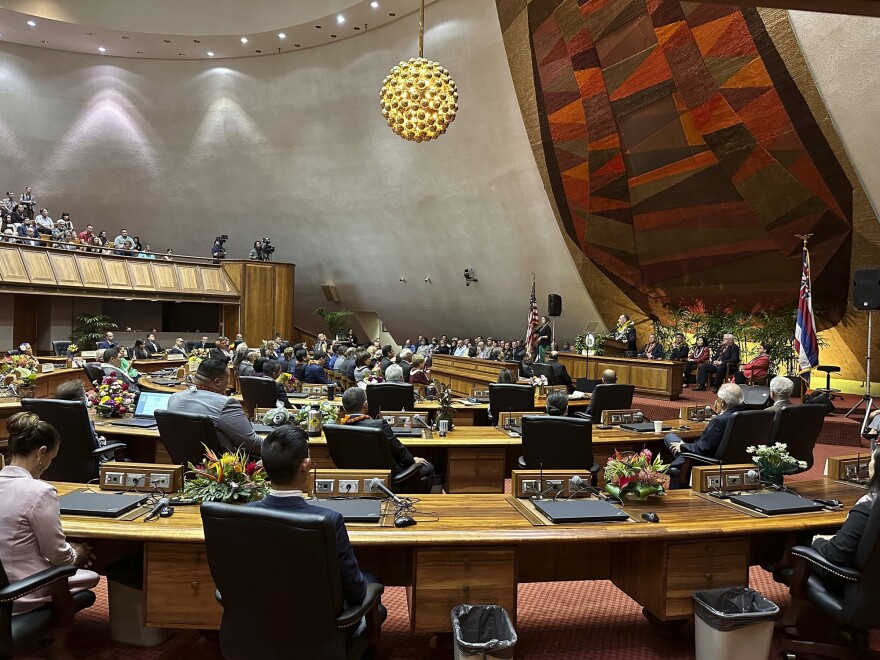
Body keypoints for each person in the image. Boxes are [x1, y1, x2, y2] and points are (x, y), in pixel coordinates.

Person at [248, 425, 376, 610]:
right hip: (321, 628)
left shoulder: (243, 514)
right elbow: (356, 593)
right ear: (305, 465)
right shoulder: (329, 520)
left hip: (258, 622)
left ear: (263, 465)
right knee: (371, 580)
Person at [0, 412, 99, 614]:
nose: (48, 465)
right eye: (51, 458)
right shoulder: (40, 492)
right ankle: (59, 643)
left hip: (5, 583)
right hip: (19, 592)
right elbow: (58, 556)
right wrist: (77, 552)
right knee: (91, 576)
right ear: (41, 452)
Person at [340, 387, 434, 492]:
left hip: (354, 478)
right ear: (365, 404)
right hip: (388, 474)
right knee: (428, 467)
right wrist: (413, 461)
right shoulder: (379, 424)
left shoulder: (337, 428)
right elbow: (399, 451)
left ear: (344, 408)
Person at [166, 359, 261, 455]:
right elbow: (251, 443)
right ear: (217, 382)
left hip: (183, 465)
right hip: (222, 467)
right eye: (227, 377)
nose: (228, 382)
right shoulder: (226, 404)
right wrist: (275, 447)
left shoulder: (174, 398)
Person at [811, 448, 879, 580]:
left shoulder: (868, 507)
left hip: (853, 582)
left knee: (801, 542)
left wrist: (817, 540)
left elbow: (836, 554)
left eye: (871, 460)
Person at [664, 383, 746, 488]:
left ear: (722, 402)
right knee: (677, 442)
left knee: (669, 437)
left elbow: (703, 449)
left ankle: (678, 462)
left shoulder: (720, 421)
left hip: (704, 459)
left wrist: (682, 446)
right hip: (735, 458)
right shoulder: (746, 416)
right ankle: (681, 457)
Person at [55, 380, 110, 462]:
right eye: (86, 394)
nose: (88, 396)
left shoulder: (54, 417)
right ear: (82, 400)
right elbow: (96, 447)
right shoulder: (84, 420)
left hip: (59, 465)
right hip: (90, 463)